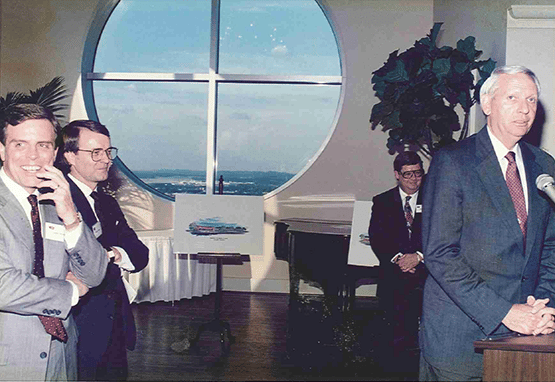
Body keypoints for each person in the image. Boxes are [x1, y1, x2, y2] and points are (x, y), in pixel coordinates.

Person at [419, 65, 555, 381]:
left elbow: (550, 248)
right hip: (461, 339)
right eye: (513, 97)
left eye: (532, 100)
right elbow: (440, 254)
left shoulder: (543, 165)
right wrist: (505, 313)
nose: (525, 109)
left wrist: (543, 309)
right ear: (487, 104)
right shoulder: (453, 162)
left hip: (526, 340)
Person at [0, 104, 108, 381]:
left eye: (44, 145)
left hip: (61, 355)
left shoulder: (58, 200)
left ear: (56, 153)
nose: (33, 156)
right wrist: (70, 290)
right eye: (20, 144)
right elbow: (3, 286)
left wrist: (71, 217)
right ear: (2, 150)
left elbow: (95, 275)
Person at [58, 119, 149, 381]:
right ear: (69, 156)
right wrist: (111, 253)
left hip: (114, 326)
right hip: (79, 325)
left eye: (108, 152)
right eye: (95, 152)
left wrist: (112, 254)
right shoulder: (55, 200)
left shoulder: (107, 203)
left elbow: (140, 255)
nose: (106, 159)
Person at [368, 150, 427, 372]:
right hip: (394, 276)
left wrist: (418, 257)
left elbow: (441, 235)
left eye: (418, 173)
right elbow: (377, 237)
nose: (413, 179)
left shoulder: (434, 198)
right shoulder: (382, 201)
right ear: (396, 175)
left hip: (425, 275)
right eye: (407, 174)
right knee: (394, 335)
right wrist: (400, 260)